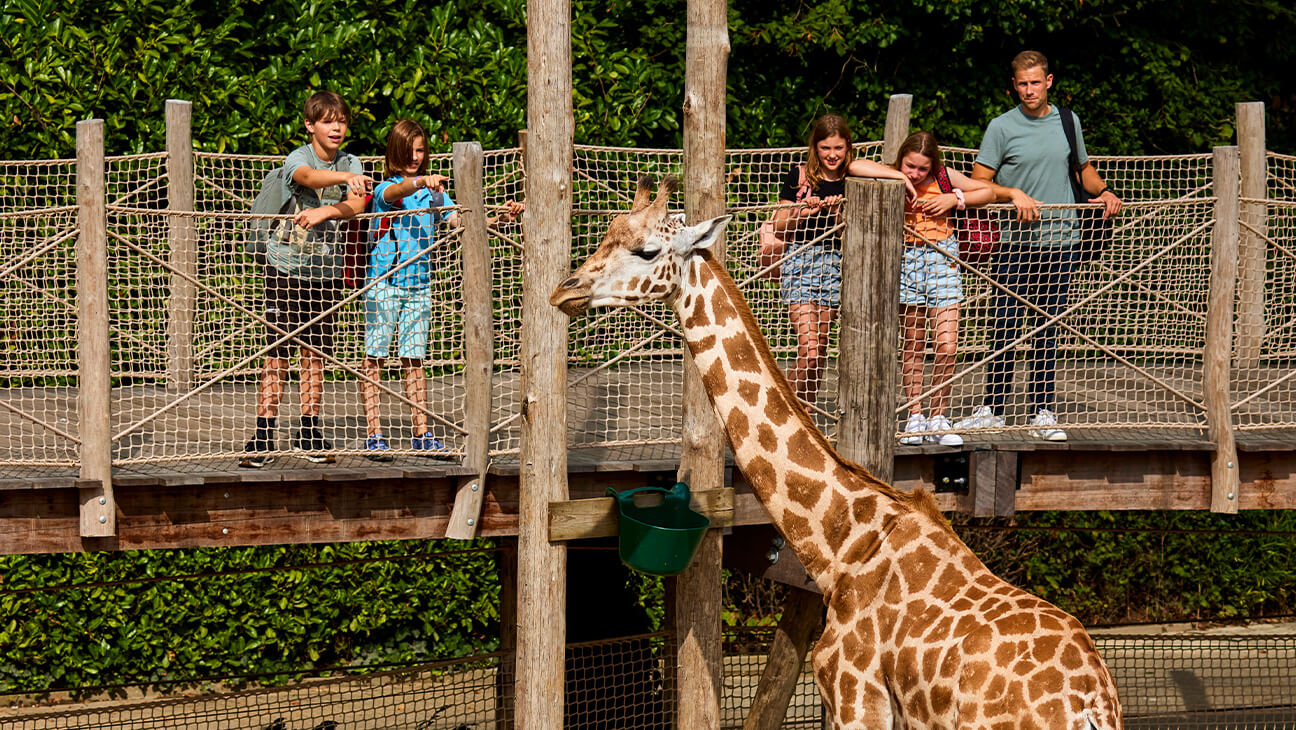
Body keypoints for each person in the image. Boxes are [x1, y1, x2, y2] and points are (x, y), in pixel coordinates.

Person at [958, 50, 1123, 442]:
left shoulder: (1068, 121)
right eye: (1022, 84)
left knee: (1048, 327)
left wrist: (1105, 192)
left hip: (1062, 240)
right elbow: (977, 185)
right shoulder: (1000, 127)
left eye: (1036, 82)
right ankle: (993, 409)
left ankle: (1042, 411)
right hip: (1014, 243)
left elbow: (1083, 170)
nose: (1029, 90)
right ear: (1013, 86)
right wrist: (1012, 193)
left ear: (1049, 81)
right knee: (1004, 326)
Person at [360, 120, 524, 461]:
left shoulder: (435, 194)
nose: (415, 157)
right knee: (374, 358)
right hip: (384, 283)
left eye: (420, 151)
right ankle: (373, 433)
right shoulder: (385, 189)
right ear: (394, 152)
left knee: (414, 359)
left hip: (419, 286)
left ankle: (421, 432)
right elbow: (396, 193)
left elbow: (462, 222)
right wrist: (421, 181)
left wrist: (502, 219)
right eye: (408, 151)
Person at [241, 90, 371, 469]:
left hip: (326, 272)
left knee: (316, 353)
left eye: (342, 121)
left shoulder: (353, 160)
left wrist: (326, 211)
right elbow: (307, 177)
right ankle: (263, 432)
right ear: (310, 125)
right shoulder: (300, 157)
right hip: (285, 267)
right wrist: (347, 178)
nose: (336, 128)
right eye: (328, 121)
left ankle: (308, 429)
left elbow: (358, 204)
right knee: (278, 352)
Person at [769, 114, 914, 406]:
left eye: (838, 148)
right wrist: (803, 210)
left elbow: (853, 229)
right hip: (801, 261)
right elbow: (779, 225)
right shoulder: (799, 176)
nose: (832, 155)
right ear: (815, 148)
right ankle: (778, 408)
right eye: (825, 148)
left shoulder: (853, 177)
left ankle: (805, 416)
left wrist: (900, 176)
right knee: (808, 350)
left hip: (836, 264)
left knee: (819, 351)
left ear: (848, 147)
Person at [888, 132, 999, 447]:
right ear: (901, 160)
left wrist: (955, 198)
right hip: (907, 257)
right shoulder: (892, 173)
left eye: (922, 169)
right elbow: (856, 166)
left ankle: (938, 415)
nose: (916, 174)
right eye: (911, 166)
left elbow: (987, 192)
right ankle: (915, 414)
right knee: (913, 341)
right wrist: (897, 176)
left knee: (948, 344)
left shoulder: (944, 176)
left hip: (943, 258)